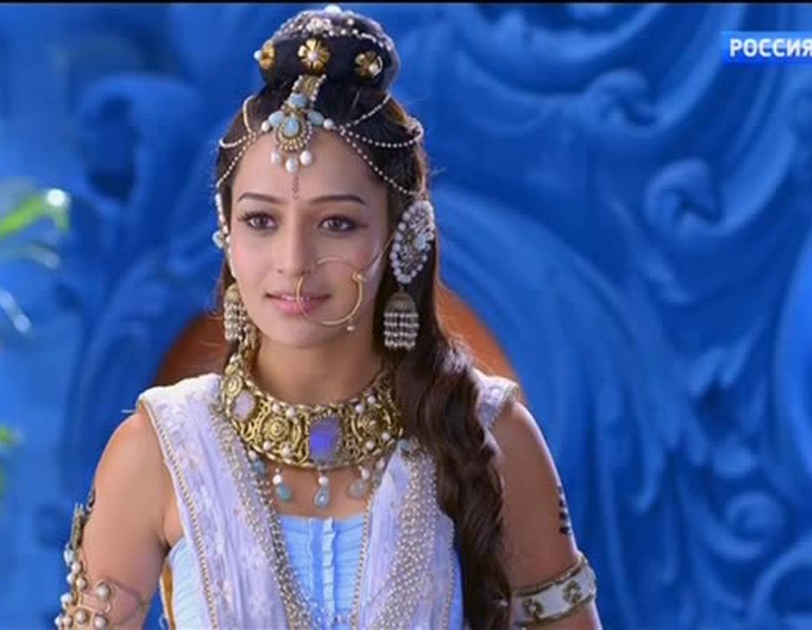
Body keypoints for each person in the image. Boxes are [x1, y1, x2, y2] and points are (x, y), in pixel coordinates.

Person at [55, 5, 601, 629]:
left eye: (337, 223)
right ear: (227, 235)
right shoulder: (159, 449)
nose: (294, 262)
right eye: (261, 221)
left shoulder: (491, 435)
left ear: (403, 235)